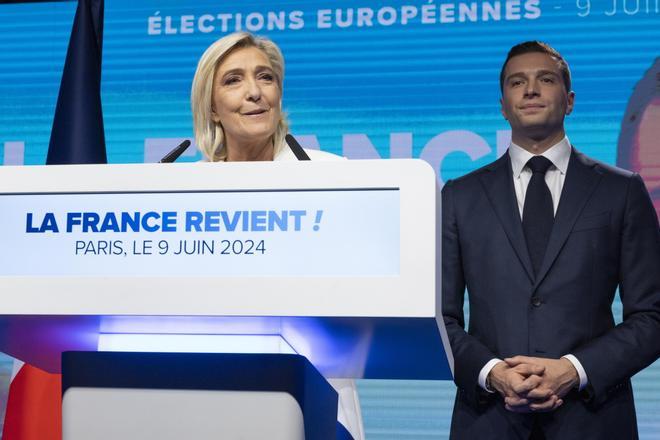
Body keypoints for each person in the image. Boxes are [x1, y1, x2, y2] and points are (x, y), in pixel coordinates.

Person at [442, 41, 660, 439]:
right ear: (503, 105)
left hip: (593, 420)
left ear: (570, 100)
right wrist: (494, 374)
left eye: (545, 79)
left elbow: (652, 316)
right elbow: (440, 318)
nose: (530, 90)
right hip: (489, 421)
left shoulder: (621, 191)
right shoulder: (460, 196)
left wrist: (574, 370)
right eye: (516, 82)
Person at [190, 32, 364, 440]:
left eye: (264, 77)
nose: (254, 92)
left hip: (313, 387)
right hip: (209, 388)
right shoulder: (186, 191)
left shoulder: (333, 176)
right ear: (212, 108)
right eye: (233, 80)